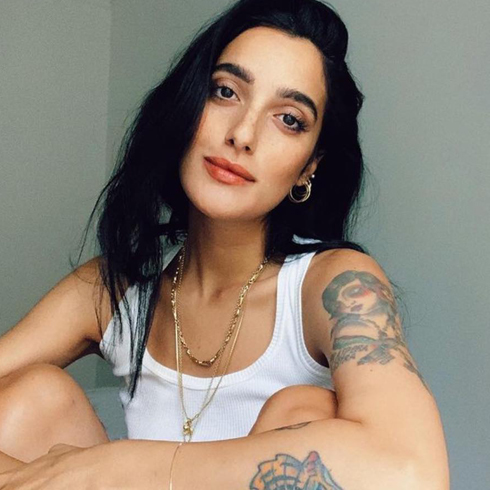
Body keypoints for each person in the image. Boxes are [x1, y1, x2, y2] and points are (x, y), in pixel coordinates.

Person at [0, 0, 449, 487]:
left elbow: (412, 471)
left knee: (306, 411)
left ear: (308, 166)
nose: (242, 134)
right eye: (226, 92)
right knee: (34, 397)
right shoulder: (116, 287)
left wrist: (120, 466)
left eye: (289, 119)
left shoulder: (331, 283)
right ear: (188, 103)